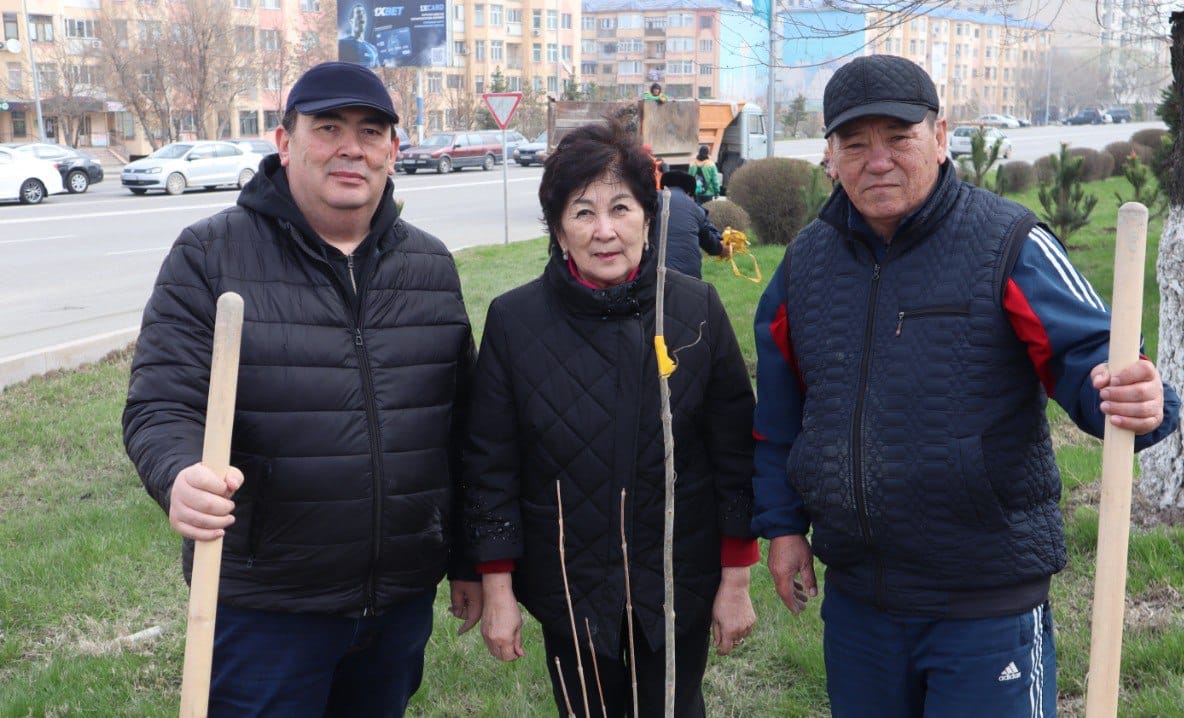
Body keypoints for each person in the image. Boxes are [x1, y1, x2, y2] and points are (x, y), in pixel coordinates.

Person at [751, 54, 1181, 718]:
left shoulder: (1007, 244)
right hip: (860, 604)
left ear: (941, 136)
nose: (878, 161)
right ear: (829, 156)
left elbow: (1093, 357)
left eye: (899, 138)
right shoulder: (805, 264)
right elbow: (780, 417)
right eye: (855, 144)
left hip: (985, 602)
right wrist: (783, 528)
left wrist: (1137, 397)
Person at [122, 61, 480, 717]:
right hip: (267, 609)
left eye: (371, 131)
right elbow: (161, 402)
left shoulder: (429, 266)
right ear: (285, 143)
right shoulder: (210, 256)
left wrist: (466, 557)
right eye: (329, 128)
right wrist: (177, 475)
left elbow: (461, 429)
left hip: (398, 605)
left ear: (392, 150)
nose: (352, 148)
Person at [463, 117, 758, 718]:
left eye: (621, 208)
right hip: (569, 587)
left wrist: (736, 578)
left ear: (648, 219)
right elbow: (489, 463)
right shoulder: (515, 322)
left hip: (677, 582)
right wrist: (497, 585)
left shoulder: (695, 310)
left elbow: (735, 455)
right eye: (582, 212)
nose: (604, 231)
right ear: (557, 228)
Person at [658, 169, 725, 279]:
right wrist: (723, 248)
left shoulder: (649, 201)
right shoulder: (695, 208)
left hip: (650, 276)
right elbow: (711, 244)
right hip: (689, 279)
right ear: (689, 193)